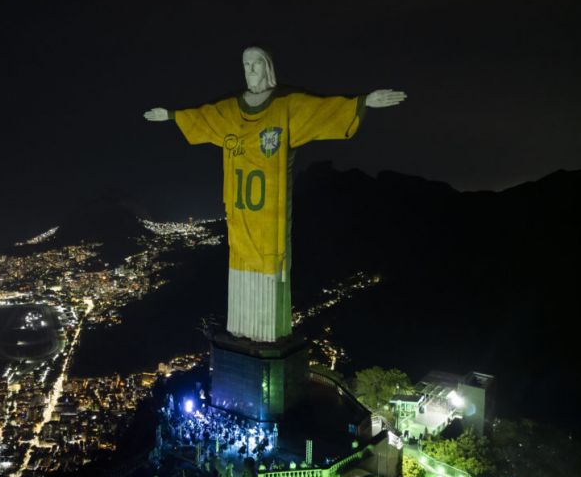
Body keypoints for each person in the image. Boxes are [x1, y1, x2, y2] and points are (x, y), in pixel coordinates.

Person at [144, 47, 405, 342]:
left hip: (270, 212)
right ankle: (241, 332)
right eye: (245, 64)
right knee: (238, 261)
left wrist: (363, 102)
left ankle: (268, 335)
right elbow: (204, 117)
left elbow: (322, 110)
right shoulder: (231, 110)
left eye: (256, 64)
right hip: (240, 211)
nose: (250, 70)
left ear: (267, 67)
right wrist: (170, 115)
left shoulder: (285, 105)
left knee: (271, 266)